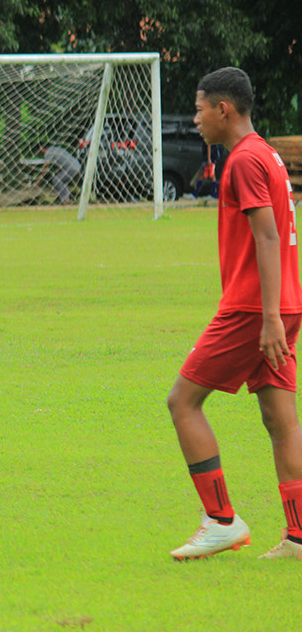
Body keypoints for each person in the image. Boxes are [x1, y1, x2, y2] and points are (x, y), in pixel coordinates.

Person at [166, 66, 302, 561]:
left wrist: (266, 318)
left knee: (182, 402)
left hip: (254, 309)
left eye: (200, 108)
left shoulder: (243, 161)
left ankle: (221, 520)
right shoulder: (267, 153)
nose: (196, 118)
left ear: (223, 109)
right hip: (285, 302)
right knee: (280, 418)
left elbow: (267, 236)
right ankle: (298, 538)